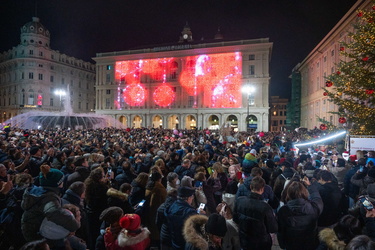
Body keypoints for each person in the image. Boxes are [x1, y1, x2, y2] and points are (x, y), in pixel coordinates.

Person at [21, 164, 80, 242]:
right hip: (36, 233)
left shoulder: (39, 192)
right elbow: (54, 212)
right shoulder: (49, 198)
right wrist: (75, 225)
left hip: (33, 228)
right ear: (58, 183)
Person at [277, 177, 323, 250]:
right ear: (305, 193)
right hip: (310, 243)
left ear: (288, 194)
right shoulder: (314, 207)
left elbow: (281, 230)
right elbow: (317, 198)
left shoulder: (283, 210)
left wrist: (282, 244)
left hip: (292, 244)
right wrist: (309, 185)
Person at [233, 176, 278, 250]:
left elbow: (235, 219)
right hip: (261, 243)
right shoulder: (265, 207)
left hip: (245, 240)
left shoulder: (239, 201)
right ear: (262, 189)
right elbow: (273, 228)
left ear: (251, 187)